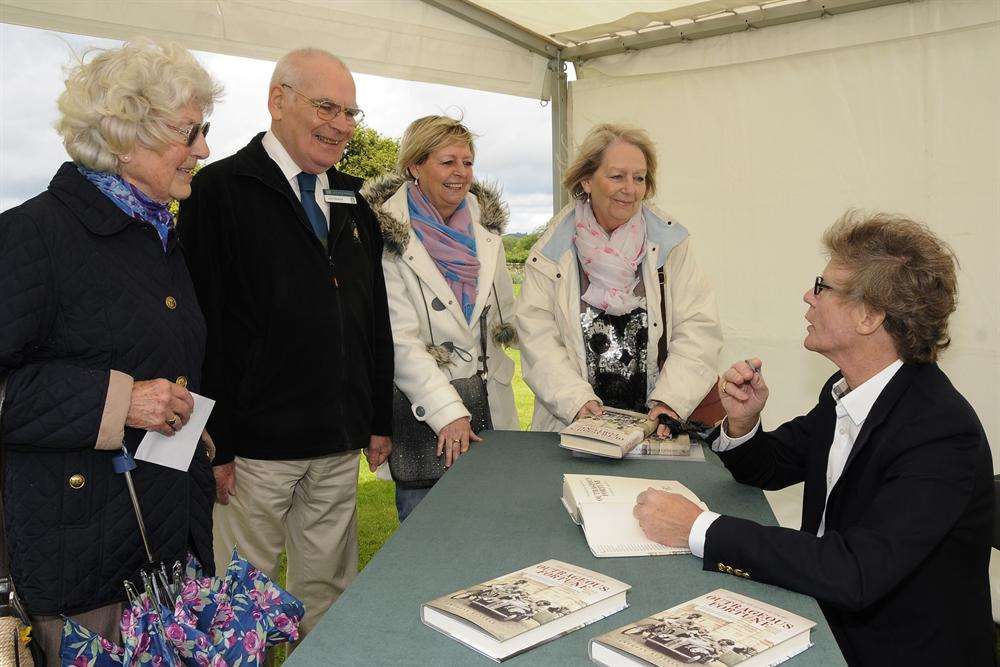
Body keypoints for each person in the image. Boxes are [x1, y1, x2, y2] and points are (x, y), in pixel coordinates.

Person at [633, 212, 994, 664]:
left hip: (884, 649)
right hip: (819, 611)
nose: (808, 295)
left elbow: (855, 572)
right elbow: (773, 465)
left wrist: (698, 528)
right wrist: (744, 425)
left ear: (868, 315)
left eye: (822, 287)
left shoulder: (940, 432)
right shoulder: (846, 389)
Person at [0, 39, 221, 660]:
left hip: (165, 546)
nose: (204, 148)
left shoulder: (155, 232)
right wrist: (120, 401)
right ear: (126, 139)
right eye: (190, 131)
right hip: (84, 572)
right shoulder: (33, 235)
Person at [176, 48, 393, 638]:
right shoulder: (218, 192)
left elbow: (373, 318)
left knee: (327, 593)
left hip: (335, 441)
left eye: (351, 112)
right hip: (252, 451)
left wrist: (376, 417)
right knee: (241, 603)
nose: (343, 125)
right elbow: (201, 328)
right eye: (327, 106)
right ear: (278, 100)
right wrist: (214, 442)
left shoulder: (352, 201)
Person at [516, 123, 721, 435]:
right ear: (586, 180)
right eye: (617, 176)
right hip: (573, 428)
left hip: (654, 428)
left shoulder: (671, 245)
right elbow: (538, 339)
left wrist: (670, 401)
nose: (630, 188)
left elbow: (699, 329)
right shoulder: (550, 253)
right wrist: (576, 403)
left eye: (639, 178)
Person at [362, 116, 518, 520]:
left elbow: (509, 318)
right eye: (448, 162)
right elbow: (398, 339)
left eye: (467, 163)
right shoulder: (384, 235)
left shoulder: (487, 229)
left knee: (494, 535)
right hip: (426, 415)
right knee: (429, 540)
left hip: (489, 410)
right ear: (415, 165)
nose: (461, 174)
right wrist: (447, 412)